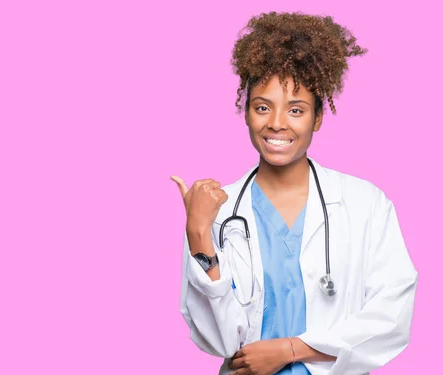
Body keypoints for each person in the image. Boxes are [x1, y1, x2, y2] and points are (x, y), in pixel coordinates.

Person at [170, 11, 418, 375]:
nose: (276, 123)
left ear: (318, 118)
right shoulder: (215, 212)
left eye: (296, 109)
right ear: (247, 114)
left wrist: (291, 350)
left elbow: (392, 317)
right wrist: (197, 234)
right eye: (262, 107)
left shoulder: (366, 205)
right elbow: (219, 343)